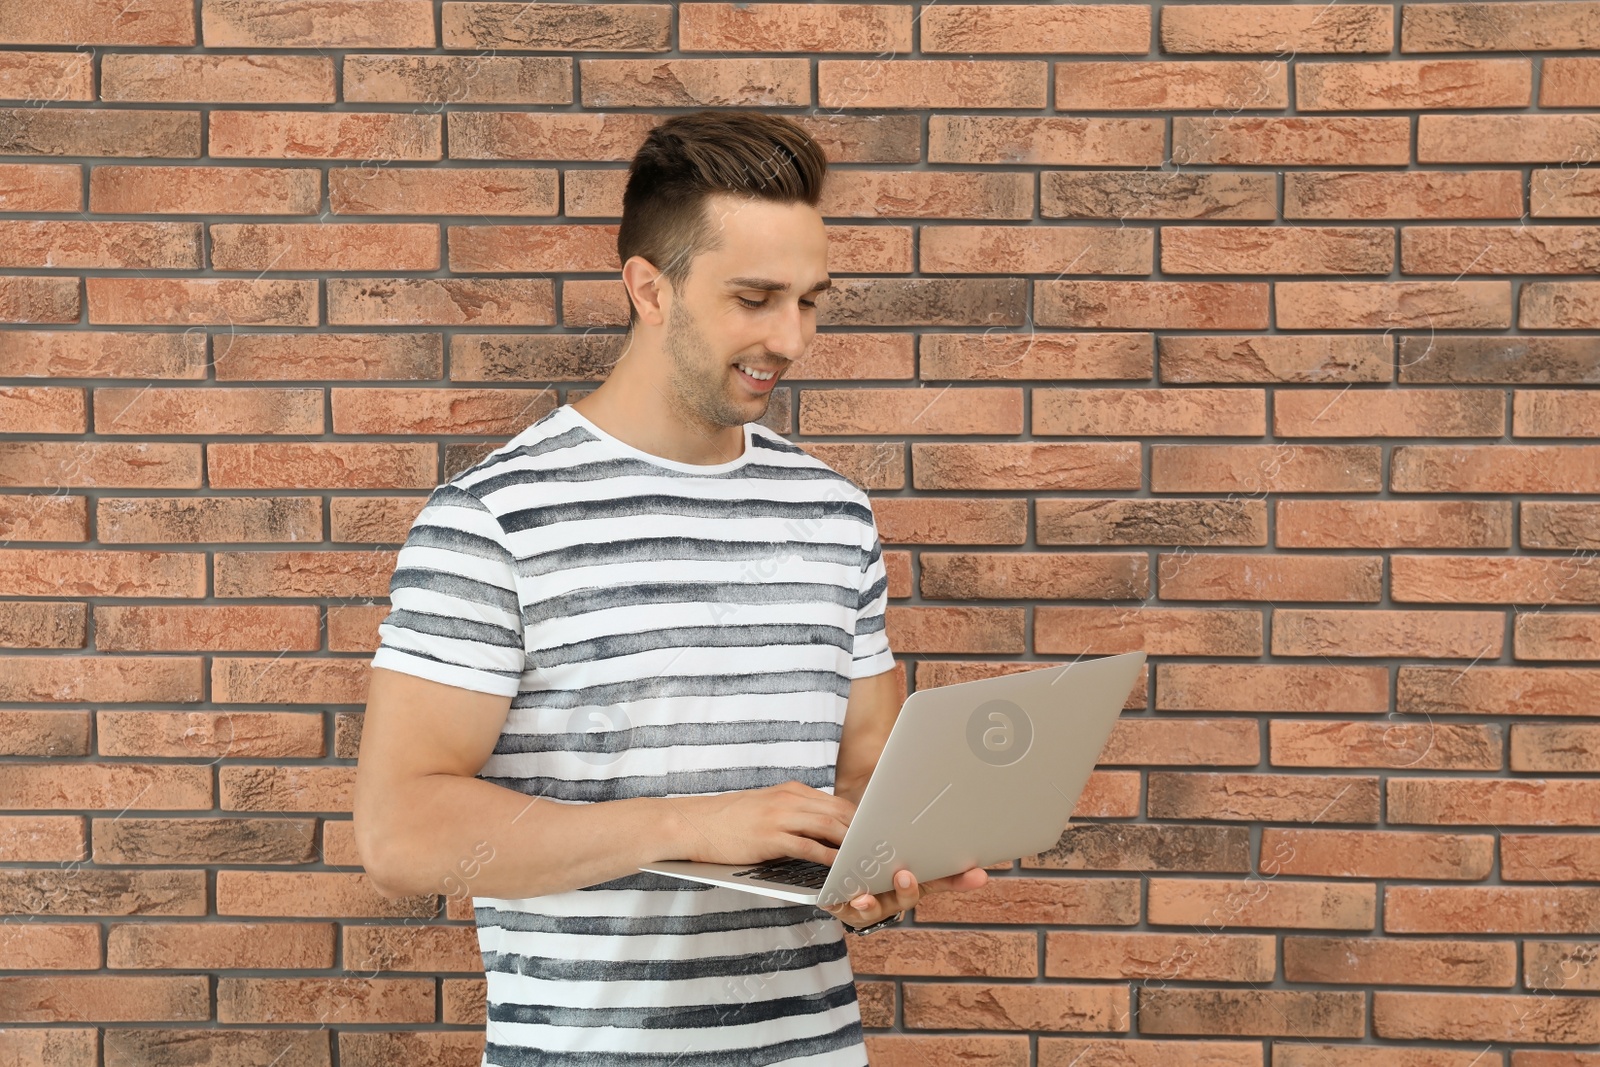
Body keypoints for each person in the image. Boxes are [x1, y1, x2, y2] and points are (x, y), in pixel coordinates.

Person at [353, 109, 989, 1067]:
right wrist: (696, 824)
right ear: (648, 289)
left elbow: (864, 772)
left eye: (811, 300)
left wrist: (876, 863)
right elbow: (400, 832)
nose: (793, 337)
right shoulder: (493, 519)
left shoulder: (833, 514)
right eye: (756, 297)